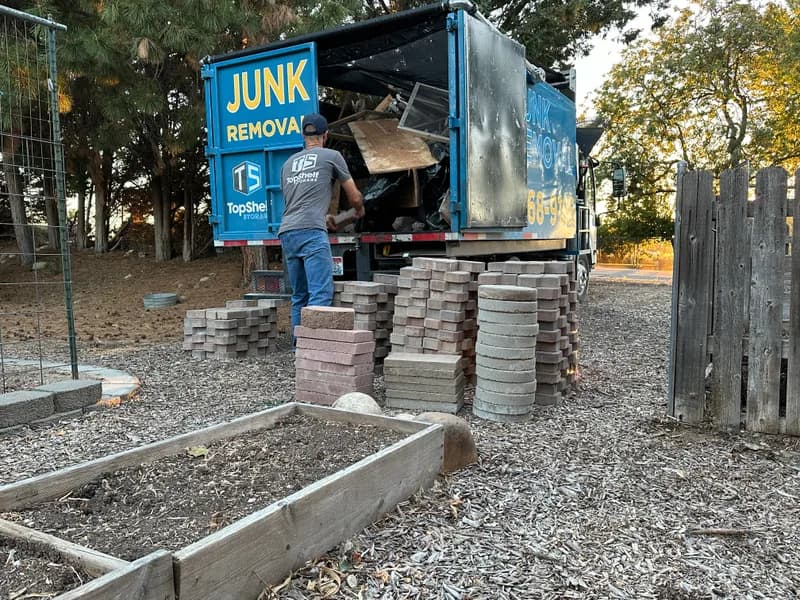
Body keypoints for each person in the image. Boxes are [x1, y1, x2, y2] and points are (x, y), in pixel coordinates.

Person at [279, 113, 365, 335]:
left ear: (303, 136)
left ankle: (299, 349)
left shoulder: (288, 164)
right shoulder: (332, 156)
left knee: (299, 296)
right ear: (325, 135)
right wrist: (358, 209)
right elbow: (354, 197)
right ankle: (314, 351)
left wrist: (324, 217)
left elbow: (296, 202)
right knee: (320, 294)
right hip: (310, 233)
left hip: (288, 231)